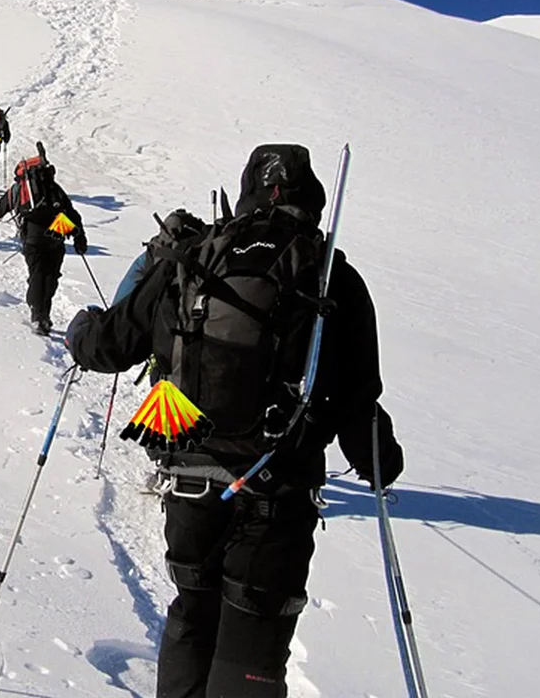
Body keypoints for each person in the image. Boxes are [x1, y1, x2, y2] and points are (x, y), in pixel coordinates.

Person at [64, 143, 404, 698]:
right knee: (253, 634)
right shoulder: (331, 276)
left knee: (193, 612)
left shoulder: (198, 257)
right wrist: (381, 463)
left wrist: (81, 331)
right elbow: (359, 409)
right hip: (278, 495)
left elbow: (111, 344)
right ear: (312, 199)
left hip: (193, 485)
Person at [0, 147, 88, 335]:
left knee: (37, 274)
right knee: (51, 275)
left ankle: (37, 315)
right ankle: (45, 315)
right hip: (57, 230)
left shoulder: (19, 189)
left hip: (33, 233)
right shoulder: (53, 187)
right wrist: (79, 236)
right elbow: (70, 212)